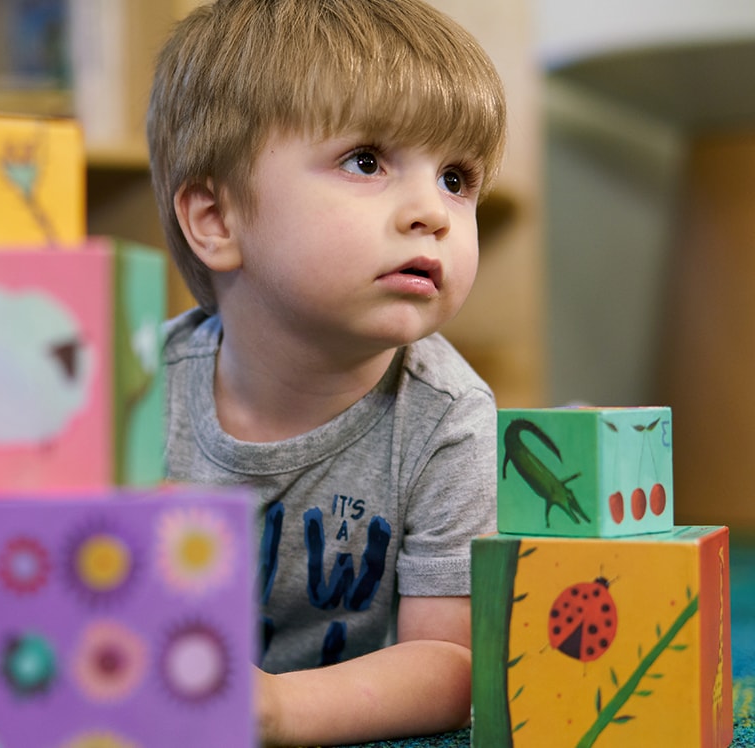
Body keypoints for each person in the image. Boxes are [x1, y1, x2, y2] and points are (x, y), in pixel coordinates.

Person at [146, 0, 505, 743]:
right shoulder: (137, 389)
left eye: (456, 178)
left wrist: (277, 710)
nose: (431, 213)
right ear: (216, 218)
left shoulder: (449, 415)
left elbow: (452, 662)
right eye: (367, 161)